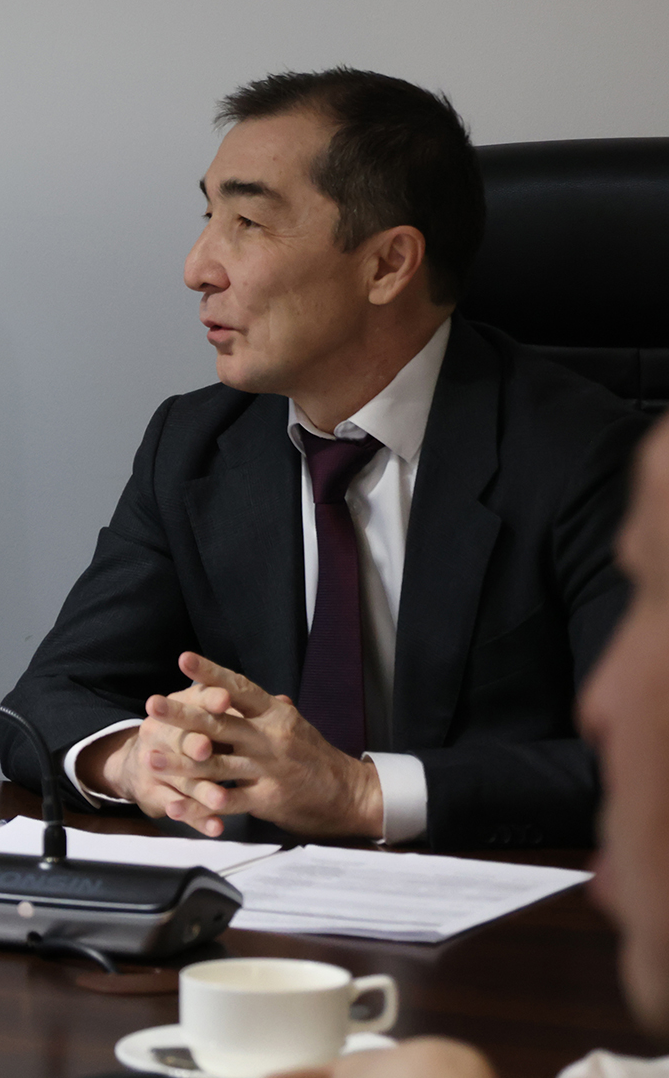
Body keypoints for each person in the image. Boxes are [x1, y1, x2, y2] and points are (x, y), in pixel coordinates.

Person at [0, 68, 645, 848]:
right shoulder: (194, 444)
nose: (196, 267)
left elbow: (647, 757)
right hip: (260, 906)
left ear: (386, 265)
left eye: (247, 222)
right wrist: (135, 758)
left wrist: (359, 794)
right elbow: (50, 695)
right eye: (208, 216)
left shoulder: (590, 456)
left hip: (511, 904)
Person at [283, 414, 669, 1078]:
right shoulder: (193, 439)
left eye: (655, 601)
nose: (596, 705)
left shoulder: (574, 446)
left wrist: (359, 791)